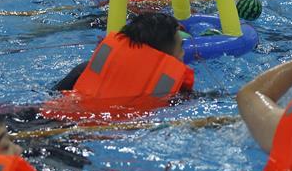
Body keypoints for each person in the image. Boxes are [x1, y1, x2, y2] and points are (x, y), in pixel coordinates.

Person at [43, 12, 193, 121]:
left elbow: (52, 95)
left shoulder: (84, 69)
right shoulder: (172, 93)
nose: (183, 52)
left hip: (50, 117)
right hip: (89, 133)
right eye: (180, 47)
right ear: (162, 57)